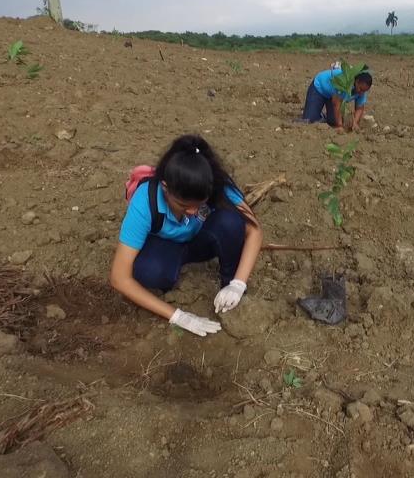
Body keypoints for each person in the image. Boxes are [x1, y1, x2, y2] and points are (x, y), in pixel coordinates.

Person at [110, 135, 263, 337]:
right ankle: (168, 280)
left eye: (199, 205)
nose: (192, 212)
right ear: (165, 188)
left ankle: (229, 287)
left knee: (230, 222)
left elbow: (254, 230)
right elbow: (119, 277)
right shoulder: (146, 201)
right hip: (166, 246)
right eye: (183, 205)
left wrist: (238, 283)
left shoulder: (216, 183)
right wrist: (178, 316)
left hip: (202, 240)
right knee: (148, 270)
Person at [301, 65, 372, 133]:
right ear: (357, 81)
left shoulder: (362, 91)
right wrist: (340, 126)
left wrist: (355, 123)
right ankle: (317, 113)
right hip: (320, 88)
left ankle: (324, 115)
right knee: (309, 120)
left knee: (333, 121)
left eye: (364, 91)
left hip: (332, 95)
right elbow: (336, 103)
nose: (361, 93)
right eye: (360, 89)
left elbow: (359, 108)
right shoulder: (344, 82)